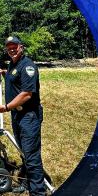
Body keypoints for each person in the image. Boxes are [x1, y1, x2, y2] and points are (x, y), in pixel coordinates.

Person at [0, 36, 46, 195]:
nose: (11, 49)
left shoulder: (28, 66)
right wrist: (4, 73)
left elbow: (26, 94)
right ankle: (28, 185)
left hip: (28, 117)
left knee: (32, 157)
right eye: (9, 47)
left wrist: (5, 107)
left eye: (14, 46)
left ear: (21, 47)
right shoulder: (14, 64)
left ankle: (38, 192)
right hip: (18, 116)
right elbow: (14, 77)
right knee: (24, 152)